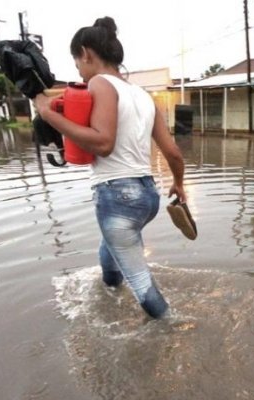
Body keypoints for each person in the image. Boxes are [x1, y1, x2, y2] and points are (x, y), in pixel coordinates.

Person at [33, 16, 186, 319]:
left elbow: (103, 143)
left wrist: (48, 115)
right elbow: (173, 152)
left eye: (77, 62)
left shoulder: (99, 83)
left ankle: (175, 327)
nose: (78, 69)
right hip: (147, 195)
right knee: (111, 250)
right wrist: (179, 184)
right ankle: (109, 295)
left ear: (86, 53)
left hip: (118, 197)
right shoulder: (144, 96)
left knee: (141, 283)